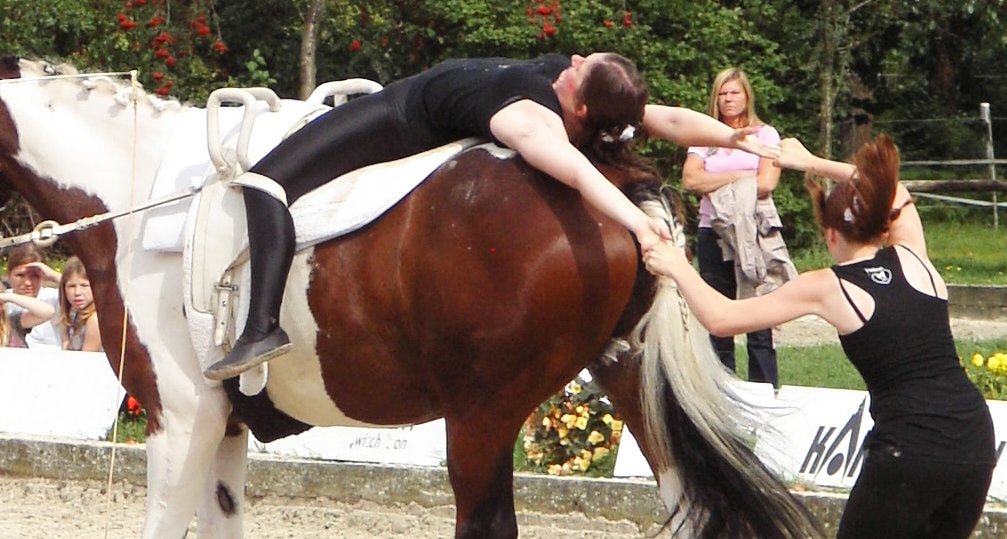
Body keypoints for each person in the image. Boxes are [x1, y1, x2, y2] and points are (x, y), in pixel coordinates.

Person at [644, 134, 994, 539]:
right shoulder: (916, 259)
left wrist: (675, 265)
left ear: (831, 234)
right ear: (882, 222)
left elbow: (721, 318)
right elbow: (897, 190)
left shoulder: (829, 286)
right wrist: (810, 164)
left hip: (908, 445)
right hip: (974, 436)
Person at [203, 52, 776, 380]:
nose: (572, 60)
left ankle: (261, 327)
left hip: (401, 114)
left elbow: (580, 174)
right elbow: (667, 119)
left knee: (264, 181)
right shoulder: (592, 99)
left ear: (579, 106)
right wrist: (735, 137)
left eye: (580, 69)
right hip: (428, 95)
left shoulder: (529, 120)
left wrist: (640, 222)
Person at [680, 68, 794, 388]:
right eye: (723, 93)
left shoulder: (765, 135)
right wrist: (741, 177)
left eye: (734, 92)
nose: (728, 99)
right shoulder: (706, 137)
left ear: (747, 96)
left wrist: (714, 182)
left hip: (753, 231)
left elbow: (767, 183)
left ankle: (764, 389)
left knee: (759, 315)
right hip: (712, 231)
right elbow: (690, 179)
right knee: (718, 317)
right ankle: (722, 390)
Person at [4, 243, 62, 350]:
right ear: (8, 274)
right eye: (20, 275)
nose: (27, 282)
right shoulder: (1, 300)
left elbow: (91, 294)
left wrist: (53, 276)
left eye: (34, 276)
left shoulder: (54, 297)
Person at [56, 257, 102, 352]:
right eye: (71, 286)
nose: (77, 292)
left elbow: (86, 358)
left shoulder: (94, 320)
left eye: (84, 285)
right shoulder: (75, 314)